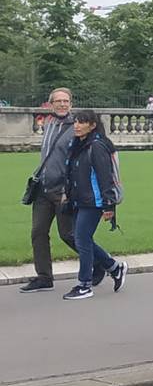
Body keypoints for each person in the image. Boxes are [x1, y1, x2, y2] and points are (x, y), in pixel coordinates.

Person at [59, 109, 127, 301]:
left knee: (82, 239)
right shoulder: (78, 144)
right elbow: (72, 172)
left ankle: (84, 285)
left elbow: (105, 177)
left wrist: (108, 205)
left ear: (93, 125)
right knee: (82, 238)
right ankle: (114, 267)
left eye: (82, 122)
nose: (77, 126)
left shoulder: (97, 146)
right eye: (76, 122)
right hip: (80, 199)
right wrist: (67, 194)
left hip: (94, 201)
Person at [18, 88, 79, 293]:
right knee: (38, 233)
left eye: (66, 101)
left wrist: (69, 189)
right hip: (43, 189)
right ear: (51, 104)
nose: (62, 104)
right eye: (58, 101)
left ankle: (103, 263)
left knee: (68, 235)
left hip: (63, 191)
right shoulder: (49, 124)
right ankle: (44, 277)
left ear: (71, 104)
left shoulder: (76, 127)